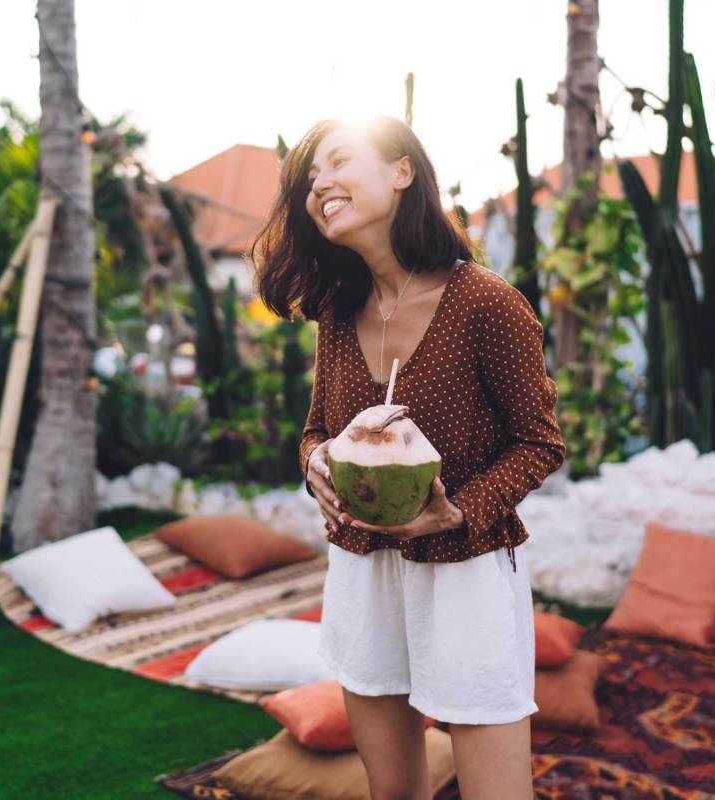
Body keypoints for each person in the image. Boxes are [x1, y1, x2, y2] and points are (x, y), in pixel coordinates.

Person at [249, 114, 566, 800]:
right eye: (310, 179)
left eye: (337, 162)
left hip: (466, 570)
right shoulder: (338, 310)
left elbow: (541, 443)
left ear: (401, 172)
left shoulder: (486, 302)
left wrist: (458, 513)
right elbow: (314, 432)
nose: (320, 185)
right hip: (362, 570)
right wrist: (315, 466)